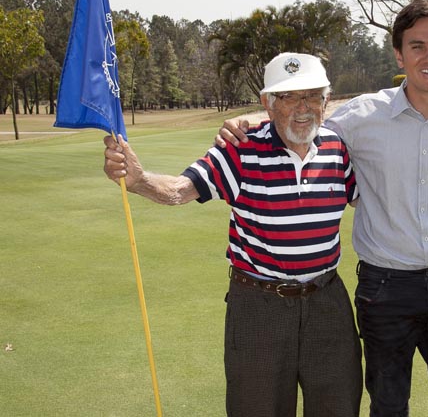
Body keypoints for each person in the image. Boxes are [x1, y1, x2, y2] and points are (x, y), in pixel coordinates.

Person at [216, 0, 428, 416]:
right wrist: (247, 125)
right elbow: (297, 121)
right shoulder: (359, 117)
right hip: (384, 289)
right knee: (388, 405)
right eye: (417, 46)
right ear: (398, 53)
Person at [103, 52, 362, 417]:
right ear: (268, 104)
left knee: (338, 406)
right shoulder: (240, 149)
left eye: (312, 96)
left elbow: (363, 199)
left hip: (327, 302)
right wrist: (140, 181)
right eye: (288, 97)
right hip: (260, 307)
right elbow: (181, 189)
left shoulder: (338, 148)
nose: (302, 108)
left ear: (326, 101)